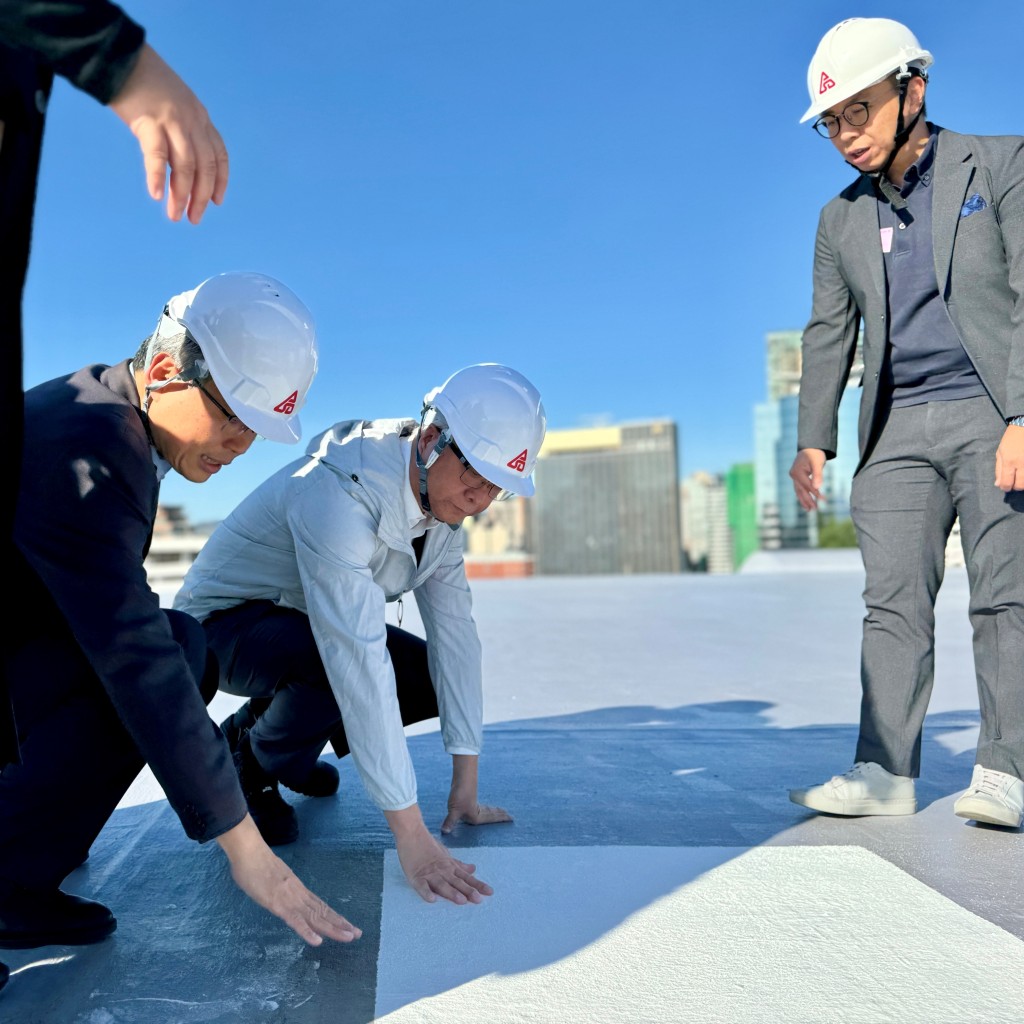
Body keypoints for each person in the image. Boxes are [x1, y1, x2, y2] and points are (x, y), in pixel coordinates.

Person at [0, 272, 362, 952]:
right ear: (166, 368)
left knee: (182, 644)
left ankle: (22, 852)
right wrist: (245, 846)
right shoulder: (95, 445)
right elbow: (132, 654)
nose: (241, 445)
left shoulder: (108, 417)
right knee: (165, 656)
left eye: (255, 429)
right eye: (232, 417)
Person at [175, 363, 547, 904]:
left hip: (297, 626)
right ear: (431, 439)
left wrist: (465, 787)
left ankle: (263, 736)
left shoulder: (441, 519)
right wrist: (412, 838)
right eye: (473, 476)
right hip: (223, 627)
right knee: (340, 666)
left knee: (422, 675)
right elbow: (355, 653)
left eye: (497, 487)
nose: (479, 499)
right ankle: (254, 764)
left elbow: (457, 640)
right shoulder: (339, 491)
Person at [787, 18, 1024, 828]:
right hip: (893, 432)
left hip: (993, 413)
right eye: (833, 122)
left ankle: (1005, 770)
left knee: (1004, 597)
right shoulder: (838, 219)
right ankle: (885, 771)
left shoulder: (1001, 162)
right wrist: (812, 436)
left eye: (860, 110)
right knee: (890, 604)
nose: (845, 134)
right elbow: (829, 332)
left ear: (911, 89)